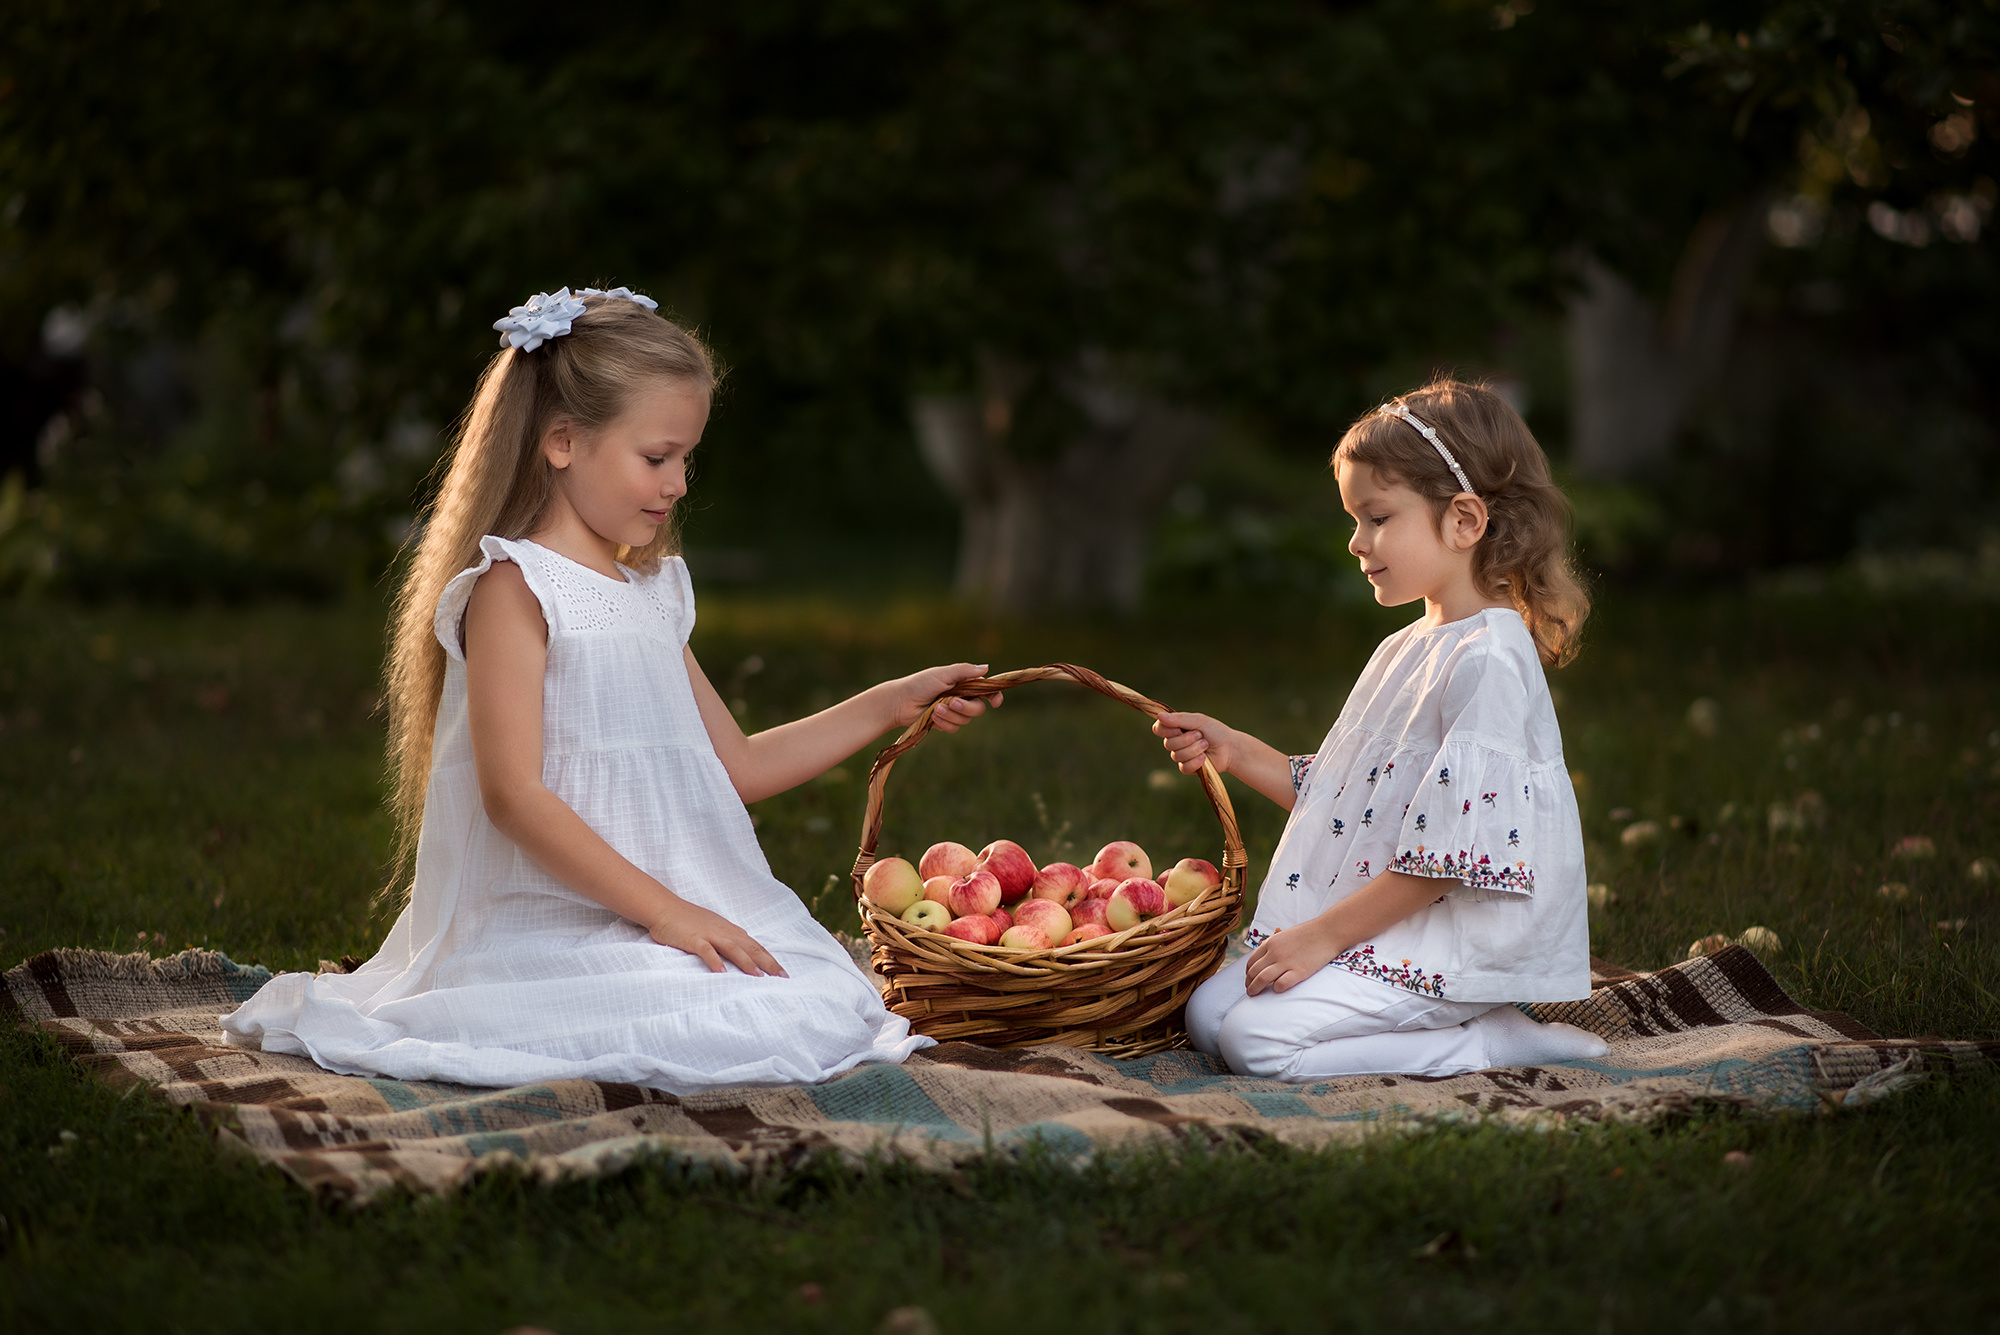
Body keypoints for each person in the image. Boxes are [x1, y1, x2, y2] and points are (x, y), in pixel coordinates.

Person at [222, 287, 998, 1093]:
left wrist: (888, 702)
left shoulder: (651, 592)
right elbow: (514, 796)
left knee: (812, 999)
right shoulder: (517, 587)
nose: (679, 483)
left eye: (686, 459)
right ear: (562, 441)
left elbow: (732, 765)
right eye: (657, 458)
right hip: (555, 924)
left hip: (663, 912)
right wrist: (666, 912)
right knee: (717, 1019)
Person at [1154, 379, 1610, 1082]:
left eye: (1376, 517)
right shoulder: (1406, 645)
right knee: (1209, 1017)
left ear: (1464, 520)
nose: (1355, 540)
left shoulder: (1489, 656)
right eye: (1355, 518)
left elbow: (1448, 858)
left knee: (1256, 1045)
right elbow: (1348, 801)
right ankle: (1432, 1020)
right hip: (1382, 925)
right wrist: (1235, 749)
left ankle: (1488, 1042)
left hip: (1444, 940)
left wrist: (1321, 937)